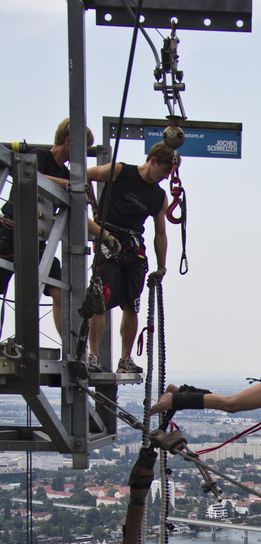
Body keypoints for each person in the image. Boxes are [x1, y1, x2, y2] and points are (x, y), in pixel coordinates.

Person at [0, 119, 110, 336]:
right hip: (10, 233)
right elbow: (33, 175)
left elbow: (79, 217)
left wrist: (105, 235)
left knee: (59, 290)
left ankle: (69, 347)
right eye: (83, 148)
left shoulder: (68, 175)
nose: (84, 154)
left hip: (37, 244)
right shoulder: (40, 156)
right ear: (69, 141)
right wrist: (70, 186)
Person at [86, 142, 173, 374]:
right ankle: (93, 355)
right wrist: (94, 209)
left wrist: (162, 267)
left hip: (133, 247)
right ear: (153, 160)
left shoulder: (159, 196)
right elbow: (84, 177)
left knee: (131, 305)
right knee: (100, 299)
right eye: (164, 171)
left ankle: (125, 360)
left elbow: (161, 233)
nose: (165, 177)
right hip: (108, 238)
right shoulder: (120, 171)